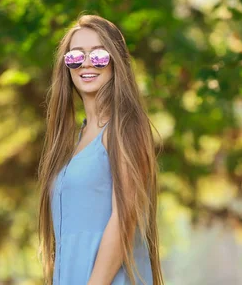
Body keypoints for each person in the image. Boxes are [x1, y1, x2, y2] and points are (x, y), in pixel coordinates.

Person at [38, 15, 164, 285]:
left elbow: (124, 219)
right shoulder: (76, 139)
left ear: (116, 62)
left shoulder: (125, 126)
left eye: (98, 55)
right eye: (75, 56)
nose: (86, 63)